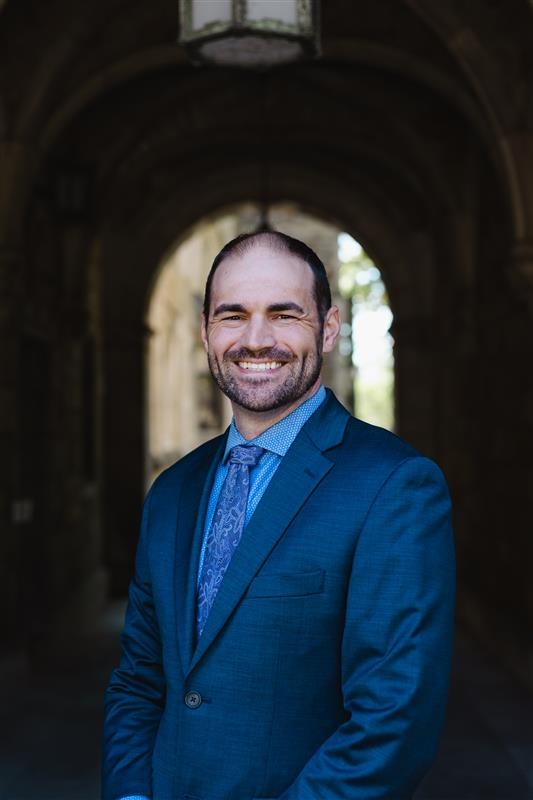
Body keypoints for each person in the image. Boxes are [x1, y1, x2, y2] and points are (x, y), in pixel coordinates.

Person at [102, 231, 455, 800]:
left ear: (330, 327)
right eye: (233, 315)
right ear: (206, 330)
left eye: (284, 314)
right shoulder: (170, 493)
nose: (256, 339)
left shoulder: (395, 486)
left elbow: (393, 721)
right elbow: (139, 681)